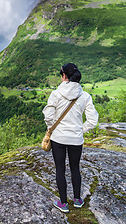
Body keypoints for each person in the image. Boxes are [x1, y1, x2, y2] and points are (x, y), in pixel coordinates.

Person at [42, 63, 98, 213]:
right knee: (75, 168)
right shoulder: (85, 96)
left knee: (60, 169)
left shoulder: (55, 94)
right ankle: (78, 200)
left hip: (58, 138)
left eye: (61, 74)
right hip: (76, 139)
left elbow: (48, 116)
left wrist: (51, 128)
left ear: (65, 76)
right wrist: (81, 129)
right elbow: (93, 120)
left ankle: (63, 204)